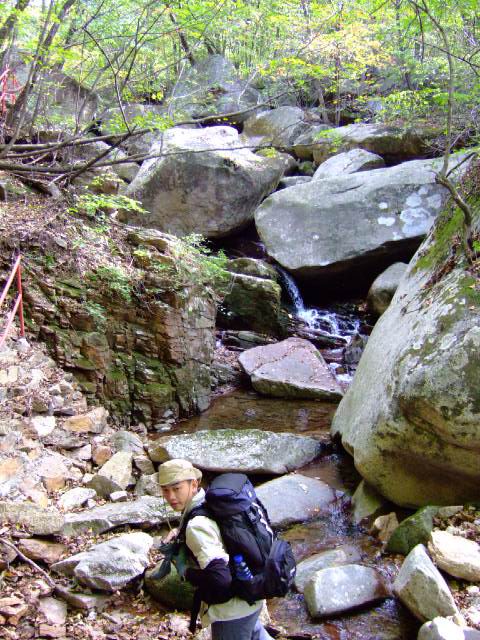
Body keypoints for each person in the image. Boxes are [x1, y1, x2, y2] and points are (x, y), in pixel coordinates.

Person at [158, 458, 273, 640]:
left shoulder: (196, 525)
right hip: (251, 594)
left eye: (176, 488)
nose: (171, 496)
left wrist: (186, 572)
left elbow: (220, 579)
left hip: (232, 612)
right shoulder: (210, 502)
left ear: (193, 484)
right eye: (165, 490)